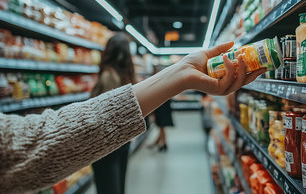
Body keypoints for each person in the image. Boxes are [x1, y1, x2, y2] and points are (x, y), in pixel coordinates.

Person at [0, 41, 265, 194]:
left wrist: (180, 74)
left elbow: (28, 143)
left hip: (112, 136)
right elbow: (29, 146)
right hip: (109, 139)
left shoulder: (110, 75)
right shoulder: (114, 76)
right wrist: (178, 75)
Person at [90, 33, 135, 194]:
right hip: (123, 141)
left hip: (106, 146)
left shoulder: (108, 76)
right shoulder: (127, 76)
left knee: (108, 188)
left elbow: (104, 114)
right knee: (118, 186)